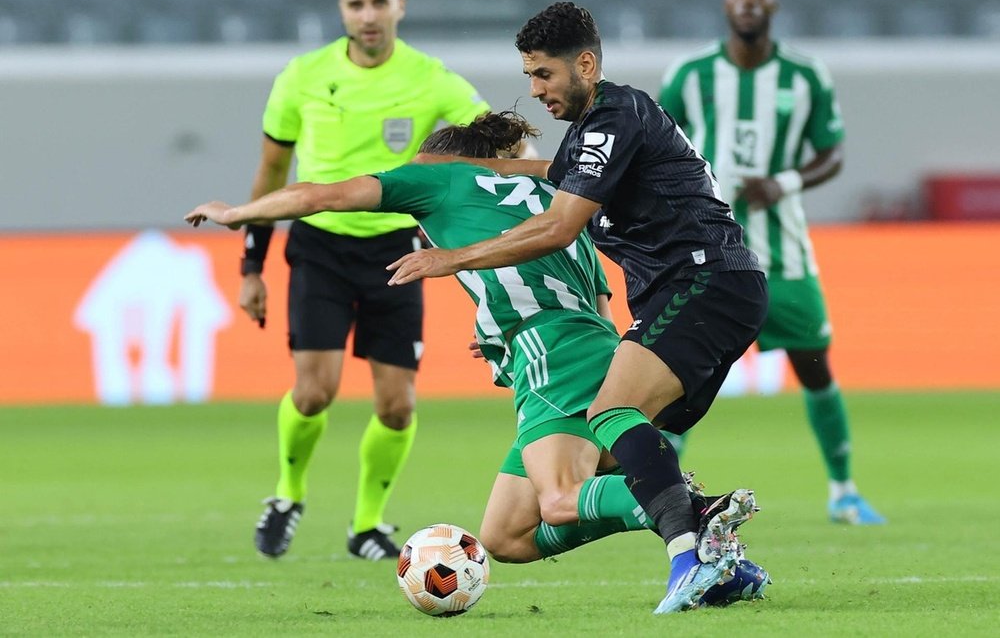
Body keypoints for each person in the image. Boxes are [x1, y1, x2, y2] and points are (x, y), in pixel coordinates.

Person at [186, 111, 770, 606]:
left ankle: (690, 513)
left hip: (552, 354)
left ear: (440, 159)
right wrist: (504, 334)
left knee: (561, 500)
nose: (408, 177)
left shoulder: (438, 180)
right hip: (576, 346)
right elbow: (592, 298)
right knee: (507, 535)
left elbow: (322, 194)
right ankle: (713, 553)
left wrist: (242, 213)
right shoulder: (552, 202)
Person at [384, 3, 769, 613]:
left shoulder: (615, 113)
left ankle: (692, 540)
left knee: (609, 414)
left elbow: (560, 225)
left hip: (699, 280)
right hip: (705, 287)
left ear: (585, 63)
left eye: (543, 75)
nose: (535, 90)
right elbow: (547, 174)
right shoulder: (596, 138)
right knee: (508, 532)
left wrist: (451, 257)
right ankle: (716, 552)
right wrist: (475, 170)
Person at [238, 0, 528, 562]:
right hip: (319, 242)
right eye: (356, 5)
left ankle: (366, 524)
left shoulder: (429, 79)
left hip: (397, 249)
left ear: (399, 5)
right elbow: (271, 173)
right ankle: (288, 496)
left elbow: (500, 139)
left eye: (378, 3)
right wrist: (251, 266)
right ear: (342, 11)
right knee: (314, 393)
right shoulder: (302, 77)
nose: (367, 16)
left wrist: (528, 169)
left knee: (397, 406)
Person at [658, 0, 884, 526]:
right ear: (726, 1)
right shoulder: (689, 75)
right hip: (706, 254)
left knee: (815, 367)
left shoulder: (806, 77)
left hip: (783, 254)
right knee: (677, 379)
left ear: (774, 3)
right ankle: (665, 498)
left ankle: (844, 490)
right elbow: (658, 143)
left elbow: (831, 151)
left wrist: (782, 182)